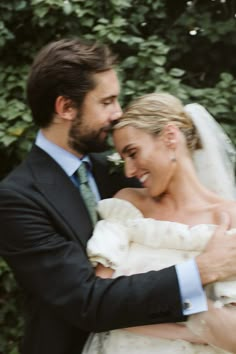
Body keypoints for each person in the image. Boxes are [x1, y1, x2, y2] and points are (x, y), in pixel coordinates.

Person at [0, 39, 236, 354]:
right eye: (107, 101)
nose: (118, 113)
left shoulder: (117, 174)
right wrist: (202, 270)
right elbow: (86, 302)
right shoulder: (17, 199)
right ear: (66, 108)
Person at [82, 93, 236, 354]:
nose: (129, 171)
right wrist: (198, 283)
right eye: (123, 159)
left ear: (169, 136)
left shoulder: (227, 220)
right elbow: (100, 305)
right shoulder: (126, 208)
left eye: (133, 153)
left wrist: (141, 309)